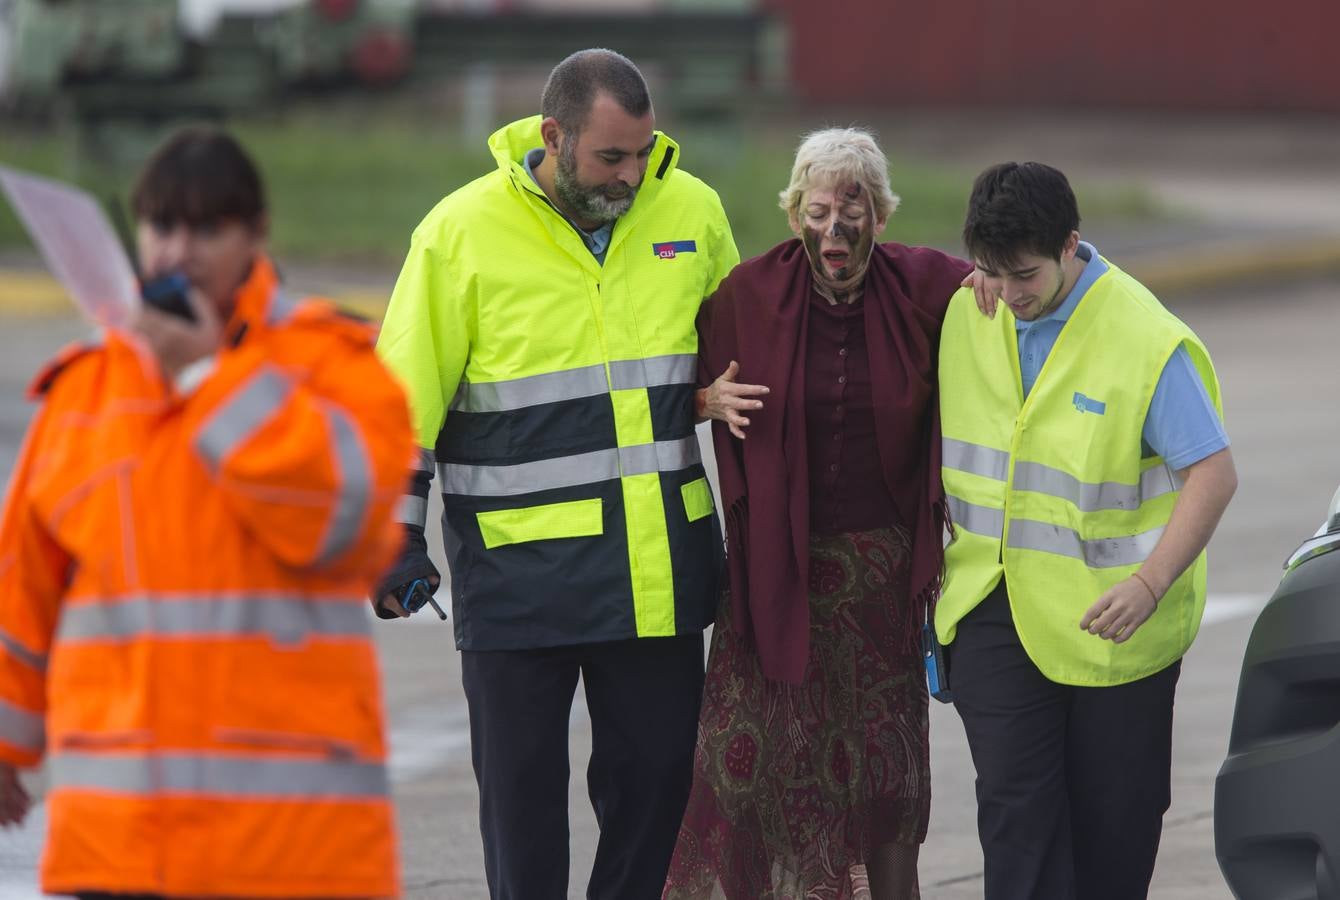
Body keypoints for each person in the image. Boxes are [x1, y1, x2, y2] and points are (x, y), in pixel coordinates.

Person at [0, 128, 412, 899]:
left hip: (288, 844)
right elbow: (24, 580)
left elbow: (338, 525)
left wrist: (205, 378)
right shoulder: (87, 386)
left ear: (257, 234)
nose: (177, 251)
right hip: (123, 839)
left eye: (207, 230)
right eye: (161, 226)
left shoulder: (334, 362)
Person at [374, 49, 739, 900]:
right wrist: (393, 535)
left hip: (657, 578)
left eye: (642, 153)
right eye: (611, 157)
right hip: (516, 587)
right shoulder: (458, 234)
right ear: (554, 135)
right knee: (524, 819)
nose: (630, 175)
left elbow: (748, 356)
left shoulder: (691, 210)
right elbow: (393, 405)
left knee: (656, 797)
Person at [662, 127, 973, 900]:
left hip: (879, 583)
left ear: (883, 215)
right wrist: (704, 400)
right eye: (820, 208)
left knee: (881, 774)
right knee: (753, 769)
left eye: (855, 207)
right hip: (773, 573)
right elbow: (661, 377)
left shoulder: (927, 287)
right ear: (795, 211)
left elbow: (1003, 287)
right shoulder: (746, 295)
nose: (836, 228)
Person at [936, 161, 1239, 900]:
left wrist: (1149, 583)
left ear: (1071, 243)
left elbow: (1213, 474)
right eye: (992, 273)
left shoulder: (1143, 339)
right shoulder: (971, 308)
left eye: (1025, 276)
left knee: (1114, 829)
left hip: (1114, 627)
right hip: (993, 608)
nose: (1009, 296)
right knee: (1016, 818)